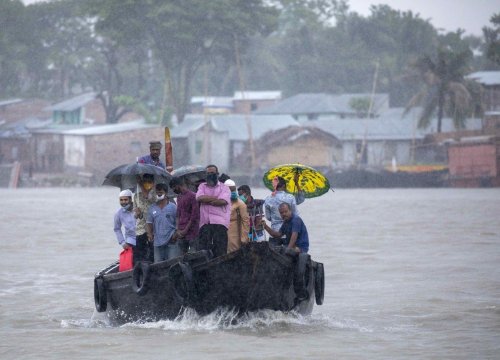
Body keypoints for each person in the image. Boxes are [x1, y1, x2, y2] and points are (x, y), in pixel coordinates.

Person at [196, 164, 231, 258]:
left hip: (220, 224)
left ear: (217, 174)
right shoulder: (202, 186)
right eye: (208, 173)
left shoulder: (225, 188)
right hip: (205, 224)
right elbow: (199, 198)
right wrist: (215, 198)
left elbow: (222, 201)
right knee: (203, 253)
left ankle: (220, 271)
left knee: (220, 253)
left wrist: (207, 199)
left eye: (212, 173)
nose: (210, 175)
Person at [264, 175, 305, 245]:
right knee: (288, 255)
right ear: (284, 186)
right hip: (289, 234)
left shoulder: (268, 199)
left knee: (272, 255)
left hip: (274, 233)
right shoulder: (290, 197)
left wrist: (276, 218)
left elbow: (268, 217)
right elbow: (295, 215)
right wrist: (296, 183)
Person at [146, 183, 180, 262]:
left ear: (166, 193)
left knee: (173, 264)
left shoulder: (173, 207)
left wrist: (176, 233)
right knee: (158, 265)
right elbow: (149, 223)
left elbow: (178, 220)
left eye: (160, 193)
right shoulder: (152, 208)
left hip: (172, 240)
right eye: (157, 193)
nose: (158, 194)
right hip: (157, 242)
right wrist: (149, 234)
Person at [169, 177, 200, 254]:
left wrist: (185, 229)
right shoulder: (179, 197)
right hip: (181, 232)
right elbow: (178, 214)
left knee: (193, 255)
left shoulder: (193, 196)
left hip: (192, 231)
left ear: (179, 185)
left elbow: (194, 216)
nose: (173, 190)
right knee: (181, 257)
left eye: (174, 187)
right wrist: (177, 229)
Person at [133, 174, 156, 262]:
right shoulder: (136, 196)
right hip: (140, 229)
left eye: (149, 182)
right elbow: (135, 215)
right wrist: (137, 213)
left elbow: (147, 197)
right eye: (145, 182)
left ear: (153, 183)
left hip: (153, 230)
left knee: (151, 256)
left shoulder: (155, 195)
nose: (147, 184)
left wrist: (140, 184)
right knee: (139, 256)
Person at [224, 179, 250, 252]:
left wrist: (244, 238)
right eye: (230, 190)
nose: (232, 192)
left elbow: (246, 221)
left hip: (234, 233)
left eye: (233, 190)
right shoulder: (220, 202)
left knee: (233, 251)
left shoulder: (240, 204)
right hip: (222, 232)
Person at [113, 189, 137, 260]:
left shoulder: (138, 209)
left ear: (130, 199)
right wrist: (122, 242)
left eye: (125, 200)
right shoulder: (118, 213)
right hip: (130, 240)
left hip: (142, 238)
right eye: (121, 200)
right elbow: (117, 229)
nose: (123, 202)